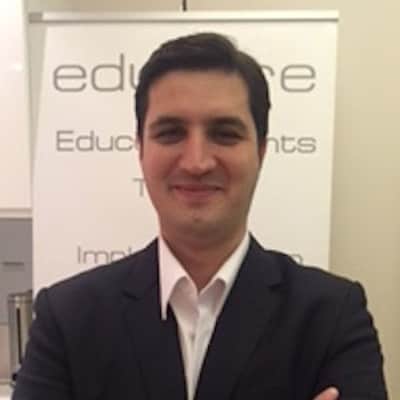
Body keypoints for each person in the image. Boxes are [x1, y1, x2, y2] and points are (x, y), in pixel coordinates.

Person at [13, 33, 387, 400]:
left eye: (224, 134)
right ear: (140, 149)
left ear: (260, 151)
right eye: (171, 133)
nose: (197, 162)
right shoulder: (68, 317)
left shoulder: (331, 316)